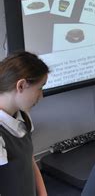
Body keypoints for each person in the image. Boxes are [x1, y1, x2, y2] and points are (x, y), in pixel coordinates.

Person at [0, 51, 49, 196]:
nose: (41, 95)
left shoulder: (22, 115)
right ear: (21, 85)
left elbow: (29, 160)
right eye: (39, 88)